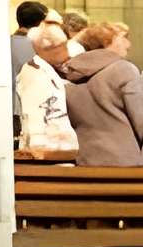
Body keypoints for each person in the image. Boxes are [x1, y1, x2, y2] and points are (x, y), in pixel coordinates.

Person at [60, 23, 143, 167]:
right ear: (107, 41)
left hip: (86, 161)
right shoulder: (124, 70)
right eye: (123, 38)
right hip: (127, 164)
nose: (128, 44)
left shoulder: (70, 76)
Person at [16, 25, 77, 161]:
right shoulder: (34, 74)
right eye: (64, 46)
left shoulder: (49, 70)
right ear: (51, 48)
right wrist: (38, 147)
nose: (67, 53)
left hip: (59, 148)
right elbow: (34, 113)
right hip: (47, 151)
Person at [11, 0, 48, 126]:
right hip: (34, 108)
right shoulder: (39, 46)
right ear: (41, 23)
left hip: (8, 106)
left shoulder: (5, 43)